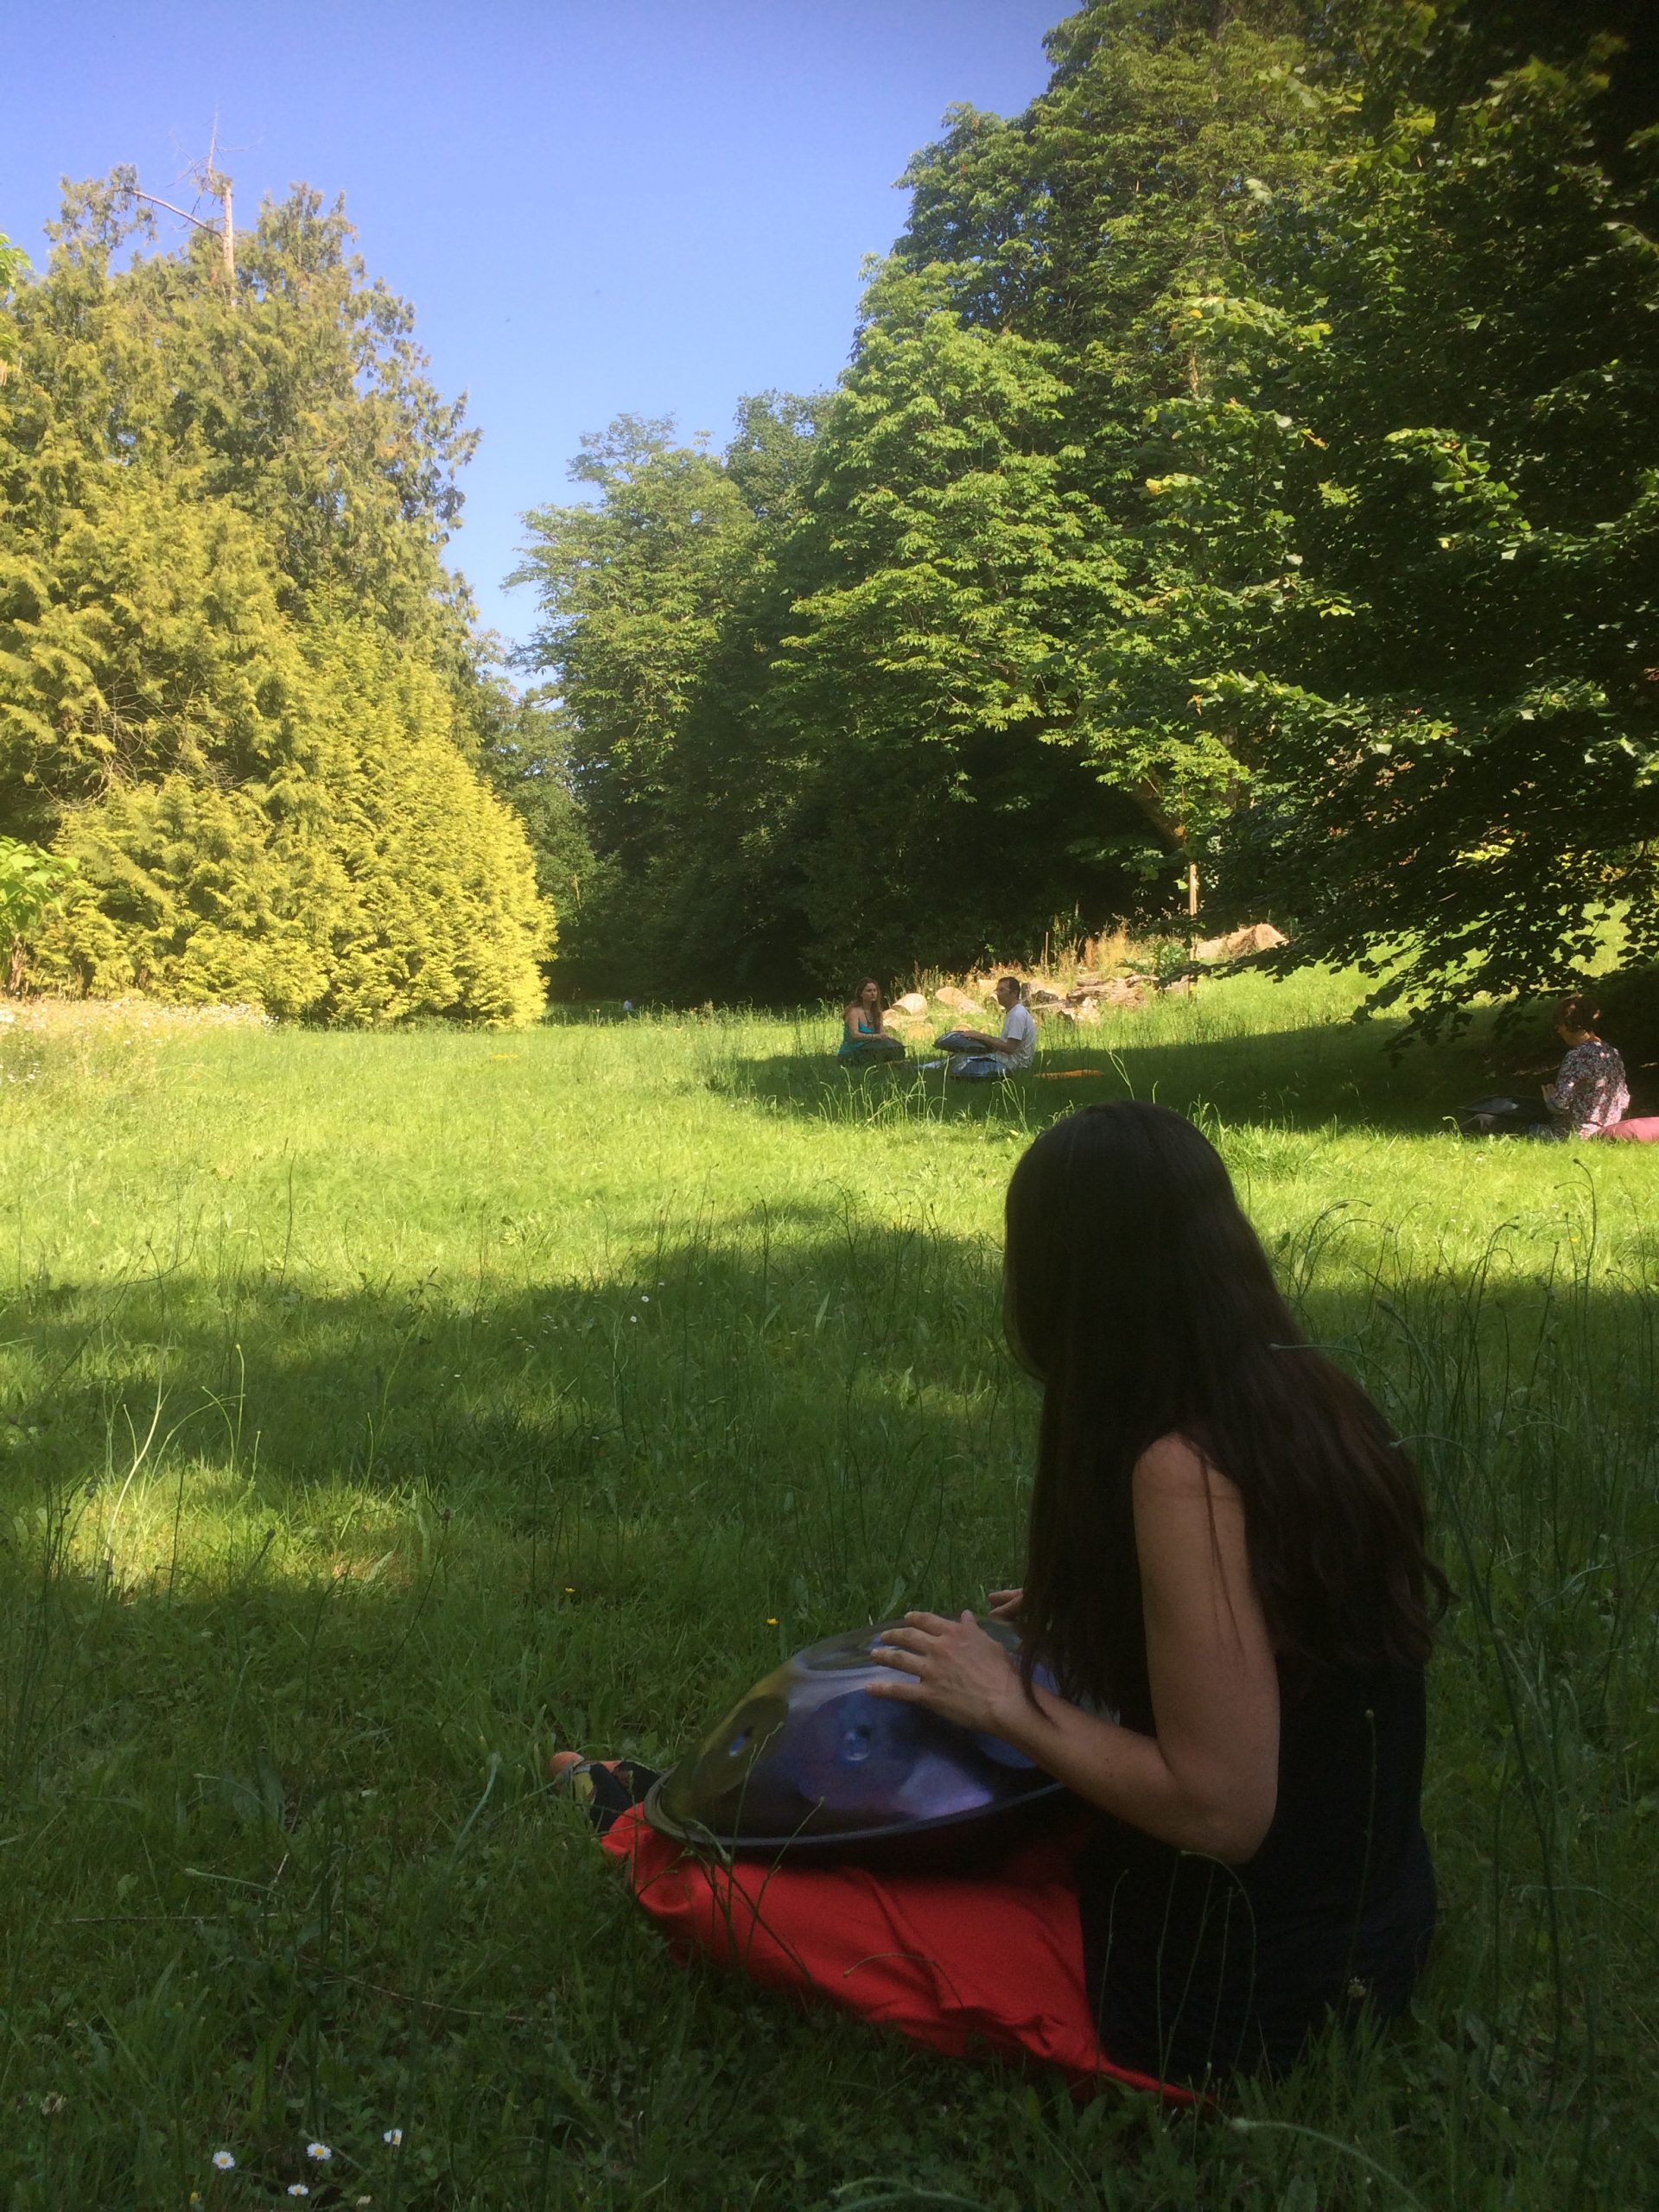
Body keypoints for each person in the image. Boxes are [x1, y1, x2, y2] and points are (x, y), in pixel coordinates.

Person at [551, 1103, 1446, 2093]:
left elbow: (1222, 1807)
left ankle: (638, 1827)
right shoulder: (1310, 1395)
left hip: (1231, 1995)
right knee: (959, 1825)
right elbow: (1280, 1655)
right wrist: (1118, 1609)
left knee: (717, 1897)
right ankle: (666, 1803)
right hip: (1358, 1922)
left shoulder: (1182, 1471)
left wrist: (1004, 1701)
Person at [1539, 993, 1629, 1139]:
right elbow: (1624, 1101)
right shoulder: (1612, 1053)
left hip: (1574, 1134)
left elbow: (1559, 1106)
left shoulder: (1577, 1056)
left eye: (1560, 1024)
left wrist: (1549, 1098)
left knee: (1515, 1126)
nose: (1559, 1030)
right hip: (1607, 1131)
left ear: (1571, 1024)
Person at [933, 976, 1037, 1081]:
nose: (998, 994)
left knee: (963, 1058)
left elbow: (1010, 1048)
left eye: (1002, 990)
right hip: (1009, 1058)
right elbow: (1005, 1043)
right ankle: (932, 1066)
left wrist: (981, 1037)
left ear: (1014, 993)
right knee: (963, 1054)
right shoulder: (1014, 1012)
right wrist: (981, 1038)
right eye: (997, 990)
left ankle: (931, 1068)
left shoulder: (1017, 1015)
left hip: (1016, 1063)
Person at [837, 978, 906, 1065]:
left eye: (875, 990)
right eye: (869, 991)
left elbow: (881, 1033)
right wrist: (875, 1037)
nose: (873, 993)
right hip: (853, 1051)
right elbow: (854, 1035)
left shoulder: (878, 1012)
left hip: (873, 1047)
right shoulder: (854, 1012)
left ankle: (893, 1064)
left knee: (897, 1048)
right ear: (861, 994)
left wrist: (887, 1038)